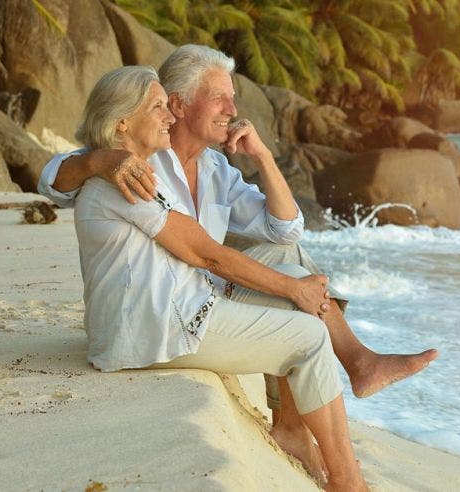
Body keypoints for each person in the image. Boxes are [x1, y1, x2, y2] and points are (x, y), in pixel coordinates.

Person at [38, 45, 437, 462]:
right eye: (219, 97)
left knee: (288, 253)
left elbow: (285, 228)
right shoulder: (134, 162)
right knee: (295, 300)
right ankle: (341, 385)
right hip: (163, 309)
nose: (233, 109)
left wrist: (262, 156)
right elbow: (54, 180)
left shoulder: (214, 167)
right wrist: (99, 159)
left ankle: (310, 407)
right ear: (179, 103)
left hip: (194, 290)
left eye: (233, 97)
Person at [71, 65, 366, 490]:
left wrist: (293, 287)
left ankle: (298, 429)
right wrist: (294, 289)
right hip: (155, 330)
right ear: (122, 123)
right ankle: (347, 481)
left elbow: (280, 231)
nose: (169, 118)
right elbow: (204, 253)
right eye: (158, 108)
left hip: (152, 317)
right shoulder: (123, 180)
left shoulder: (134, 171)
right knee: (309, 337)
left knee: (292, 285)